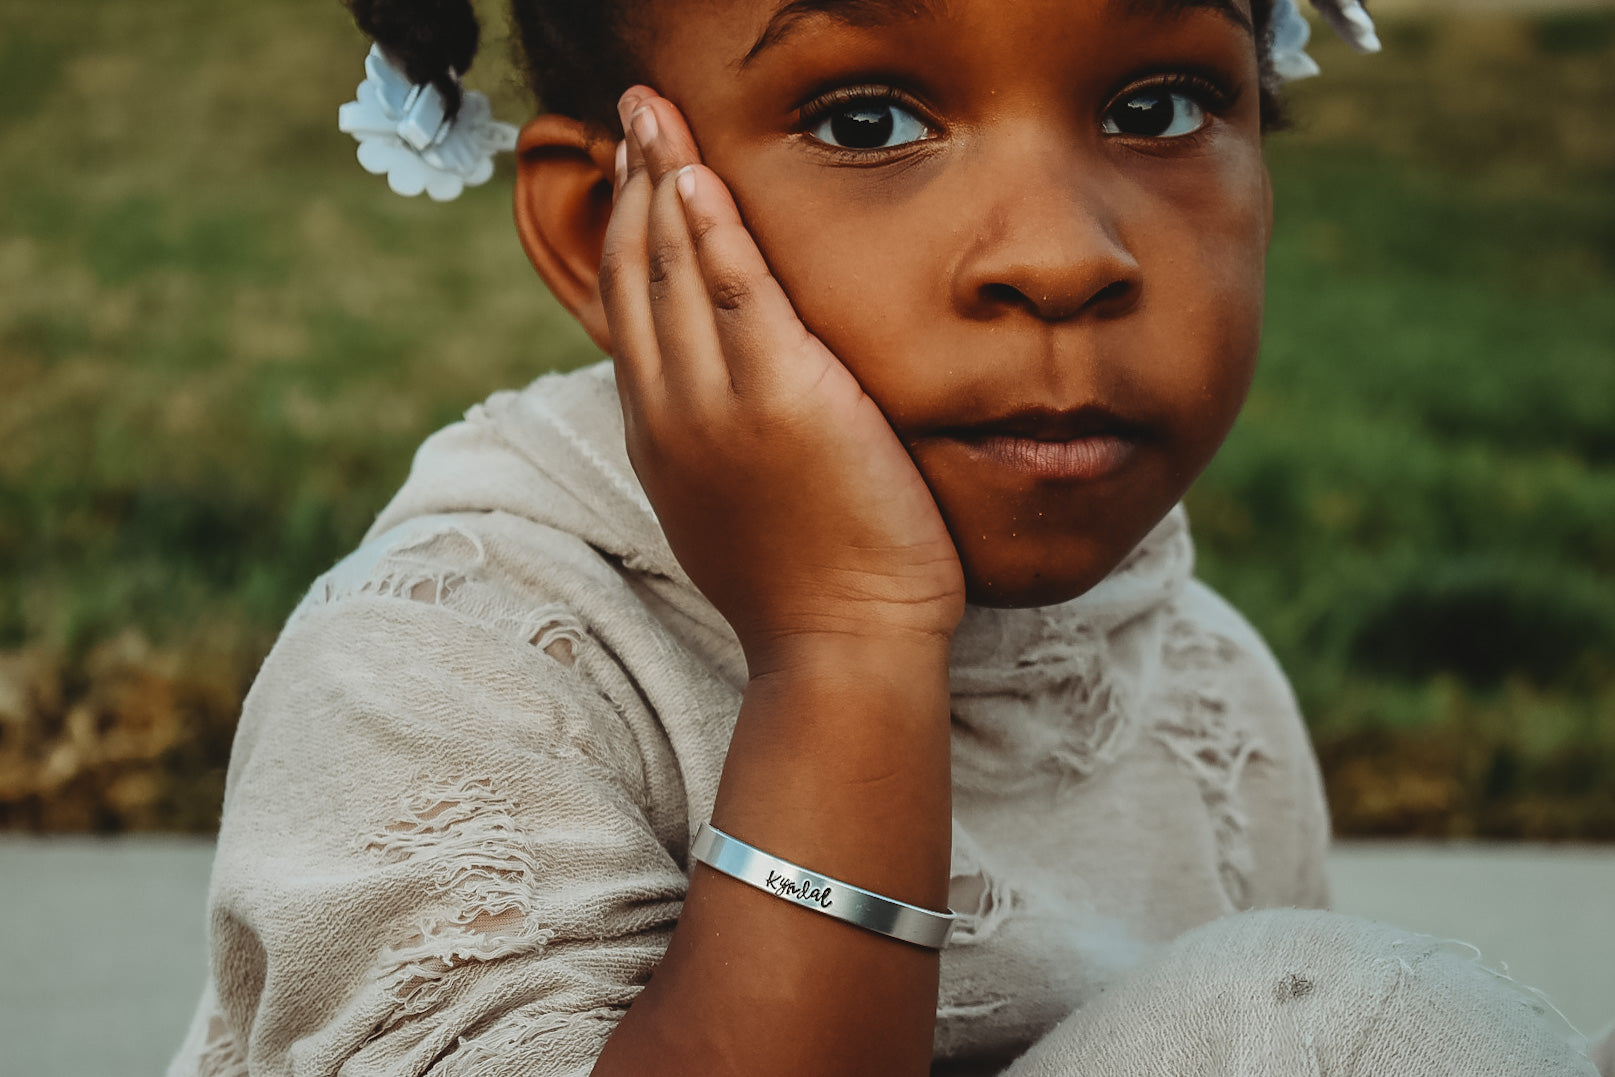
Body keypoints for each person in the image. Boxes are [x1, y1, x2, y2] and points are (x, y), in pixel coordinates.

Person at [168, 0, 1608, 1074]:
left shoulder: (1204, 692)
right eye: (867, 122)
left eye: (1161, 107)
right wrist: (845, 647)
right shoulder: (435, 670)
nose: (1061, 254)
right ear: (614, 226)